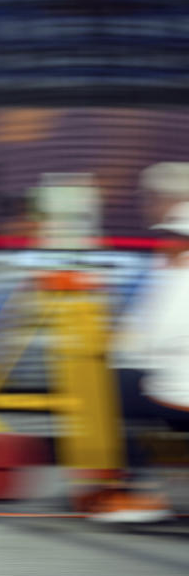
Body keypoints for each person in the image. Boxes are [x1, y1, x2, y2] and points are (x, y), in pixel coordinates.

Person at [84, 163, 189, 522]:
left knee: (110, 387)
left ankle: (134, 492)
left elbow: (158, 331)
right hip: (174, 378)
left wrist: (117, 349)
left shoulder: (177, 256)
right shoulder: (173, 257)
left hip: (177, 386)